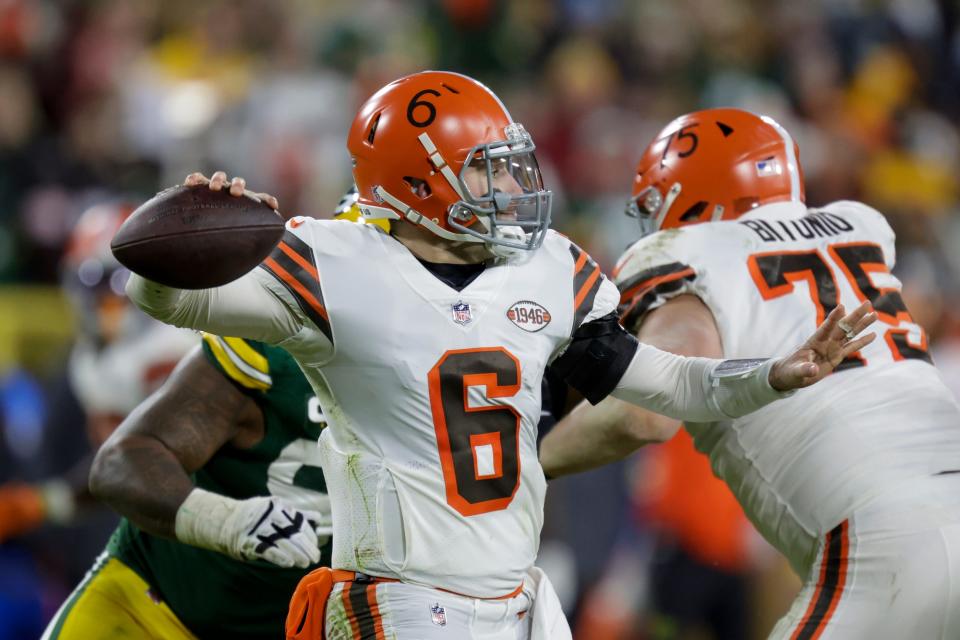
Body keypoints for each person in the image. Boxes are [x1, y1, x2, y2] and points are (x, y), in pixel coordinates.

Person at [121, 72, 873, 640]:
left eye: (510, 163)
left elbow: (664, 385)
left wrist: (772, 377)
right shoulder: (332, 259)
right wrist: (182, 236)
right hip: (400, 599)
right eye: (487, 167)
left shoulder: (548, 266)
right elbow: (165, 297)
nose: (512, 185)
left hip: (520, 598)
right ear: (419, 180)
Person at [539, 107, 960, 638]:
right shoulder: (858, 232)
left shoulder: (693, 252)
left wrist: (535, 460)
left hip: (884, 536)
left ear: (689, 192)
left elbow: (646, 416)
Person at [38, 191, 376, 639]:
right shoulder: (271, 343)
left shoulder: (470, 355)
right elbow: (125, 459)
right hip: (159, 606)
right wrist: (230, 523)